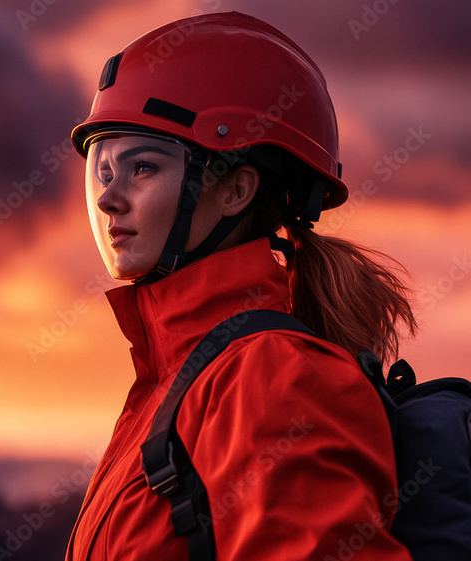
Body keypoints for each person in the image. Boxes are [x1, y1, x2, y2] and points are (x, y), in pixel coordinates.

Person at [64, 12, 417, 561]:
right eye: (103, 171)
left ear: (236, 191)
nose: (109, 197)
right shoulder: (177, 381)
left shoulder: (275, 377)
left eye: (143, 168)